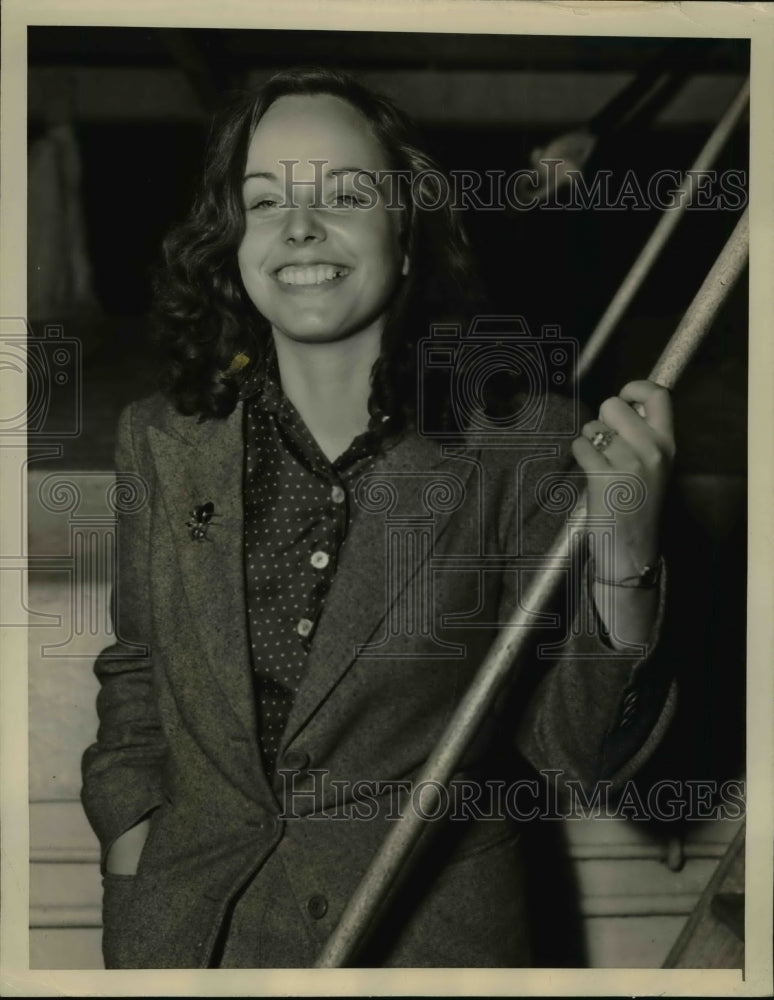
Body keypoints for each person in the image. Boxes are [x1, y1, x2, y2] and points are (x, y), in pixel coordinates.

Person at [81, 66, 676, 969]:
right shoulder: (160, 440)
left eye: (347, 193)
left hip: (430, 947)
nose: (301, 225)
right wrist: (132, 839)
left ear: (408, 238)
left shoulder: (519, 445)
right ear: (234, 243)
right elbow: (138, 671)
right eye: (266, 198)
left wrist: (623, 553)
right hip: (190, 939)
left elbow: (574, 754)